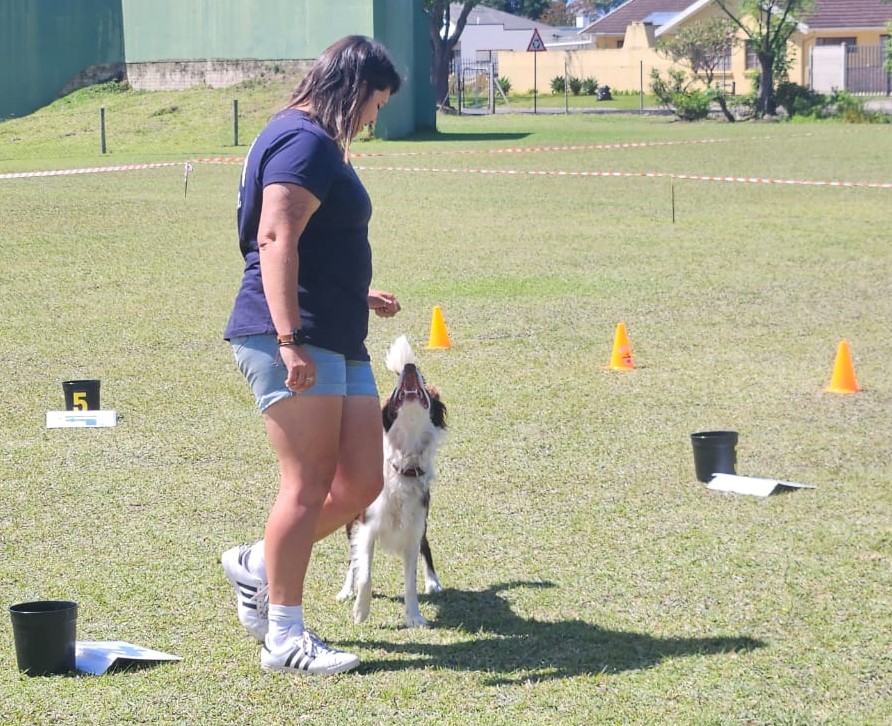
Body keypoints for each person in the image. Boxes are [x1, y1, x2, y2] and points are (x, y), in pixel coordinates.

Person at [221, 35, 403, 676]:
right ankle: (283, 637)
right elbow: (274, 237)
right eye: (376, 104)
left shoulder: (313, 138)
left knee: (363, 481)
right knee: (307, 486)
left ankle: (257, 563)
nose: (373, 119)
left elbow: (316, 237)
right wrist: (289, 338)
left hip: (337, 329)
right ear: (355, 89)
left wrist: (354, 291)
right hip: (295, 335)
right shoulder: (304, 140)